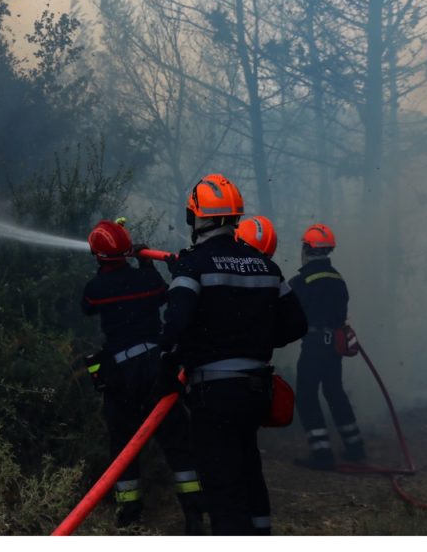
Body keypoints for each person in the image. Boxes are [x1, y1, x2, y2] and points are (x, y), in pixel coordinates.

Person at [157, 176, 308, 535]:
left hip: (214, 395)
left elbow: (174, 324)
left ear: (196, 217)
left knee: (222, 486)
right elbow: (297, 324)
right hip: (257, 392)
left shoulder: (193, 265)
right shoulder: (264, 265)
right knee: (249, 468)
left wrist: (166, 363)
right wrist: (251, 341)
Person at [82, 220, 205, 534]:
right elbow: (163, 295)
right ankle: (193, 515)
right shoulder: (145, 280)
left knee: (123, 444)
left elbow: (88, 307)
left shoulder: (96, 289)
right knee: (177, 442)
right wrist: (146, 263)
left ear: (98, 256)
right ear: (128, 250)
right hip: (156, 367)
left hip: (120, 375)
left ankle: (130, 514)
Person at [289, 223, 366, 469]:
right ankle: (355, 447)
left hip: (314, 347)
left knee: (306, 396)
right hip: (334, 347)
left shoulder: (301, 282)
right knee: (335, 393)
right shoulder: (338, 280)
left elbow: (289, 315)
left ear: (306, 248)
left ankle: (322, 453)